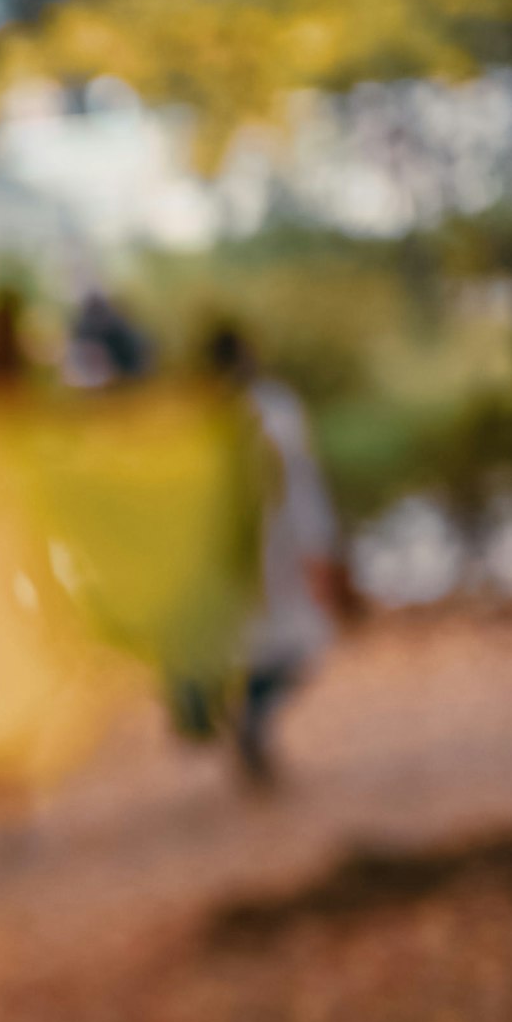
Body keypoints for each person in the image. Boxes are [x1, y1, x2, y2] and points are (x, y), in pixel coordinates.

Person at [201, 321, 344, 787]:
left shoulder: (208, 416)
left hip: (244, 554)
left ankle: (250, 722)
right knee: (296, 644)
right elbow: (302, 484)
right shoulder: (274, 410)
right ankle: (254, 723)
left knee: (266, 645)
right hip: (270, 548)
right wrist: (319, 545)